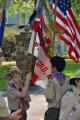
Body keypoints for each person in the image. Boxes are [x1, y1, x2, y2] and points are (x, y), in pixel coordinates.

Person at [44, 56, 70, 120]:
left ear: (54, 68)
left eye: (51, 66)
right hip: (65, 110)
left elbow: (49, 99)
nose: (49, 67)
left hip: (54, 111)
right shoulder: (67, 78)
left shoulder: (52, 80)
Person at [0, 48, 22, 120]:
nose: (3, 59)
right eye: (0, 55)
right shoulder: (11, 87)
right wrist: (11, 118)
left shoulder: (20, 86)